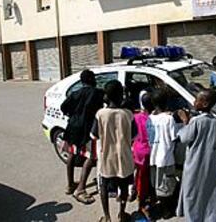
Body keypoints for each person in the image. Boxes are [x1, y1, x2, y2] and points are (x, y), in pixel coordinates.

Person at [91, 80, 135, 222]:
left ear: (106, 96)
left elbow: (93, 135)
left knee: (104, 186)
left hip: (107, 158)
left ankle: (107, 216)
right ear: (121, 95)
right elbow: (135, 135)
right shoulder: (128, 114)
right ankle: (122, 213)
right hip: (124, 158)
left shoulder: (100, 114)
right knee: (123, 186)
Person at [176, 89, 216, 222]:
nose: (194, 102)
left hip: (194, 165)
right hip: (210, 164)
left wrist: (185, 121)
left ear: (205, 104)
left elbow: (184, 138)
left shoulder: (196, 121)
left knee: (192, 194)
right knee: (209, 194)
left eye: (197, 100)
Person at [60, 69, 104, 204]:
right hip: (87, 130)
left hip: (73, 128)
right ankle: (80, 189)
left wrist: (74, 115)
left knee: (72, 154)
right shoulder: (97, 93)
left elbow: (63, 107)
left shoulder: (75, 93)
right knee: (91, 157)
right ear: (92, 80)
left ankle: (70, 185)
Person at [146, 88, 178, 219]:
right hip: (166, 158)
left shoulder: (150, 119)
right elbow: (174, 137)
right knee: (167, 184)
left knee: (157, 183)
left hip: (153, 157)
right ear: (167, 103)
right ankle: (166, 210)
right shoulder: (169, 119)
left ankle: (158, 207)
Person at [133, 93, 154, 218]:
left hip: (138, 150)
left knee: (140, 176)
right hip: (149, 151)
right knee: (146, 178)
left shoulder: (136, 117)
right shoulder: (153, 119)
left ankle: (139, 198)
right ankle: (143, 203)